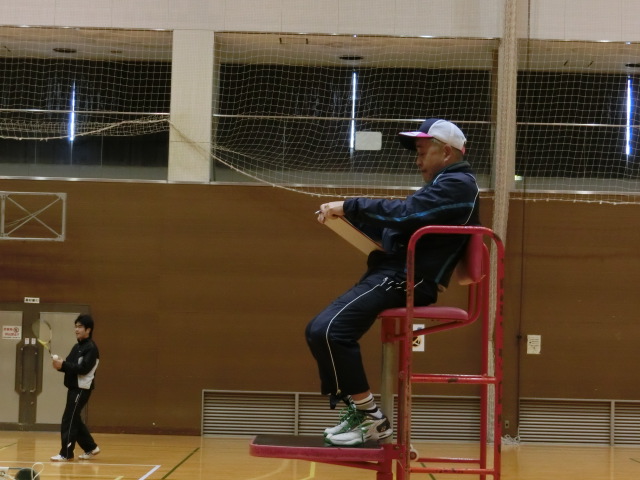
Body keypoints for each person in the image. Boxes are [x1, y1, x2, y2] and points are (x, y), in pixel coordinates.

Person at [306, 118, 481, 446]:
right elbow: (398, 225)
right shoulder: (441, 187)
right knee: (319, 330)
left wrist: (350, 205)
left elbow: (405, 213)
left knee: (330, 330)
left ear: (446, 152)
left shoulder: (459, 184)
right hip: (393, 273)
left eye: (422, 152)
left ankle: (372, 419)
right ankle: (362, 412)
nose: (417, 160)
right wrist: (346, 220)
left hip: (408, 279)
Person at [50, 314, 101, 461]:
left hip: (82, 388)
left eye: (80, 327)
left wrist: (64, 365)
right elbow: (69, 365)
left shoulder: (91, 348)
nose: (76, 330)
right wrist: (60, 365)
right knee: (74, 418)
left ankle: (66, 453)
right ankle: (91, 447)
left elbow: (84, 368)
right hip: (73, 387)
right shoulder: (77, 346)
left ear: (88, 330)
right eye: (76, 326)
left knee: (69, 419)